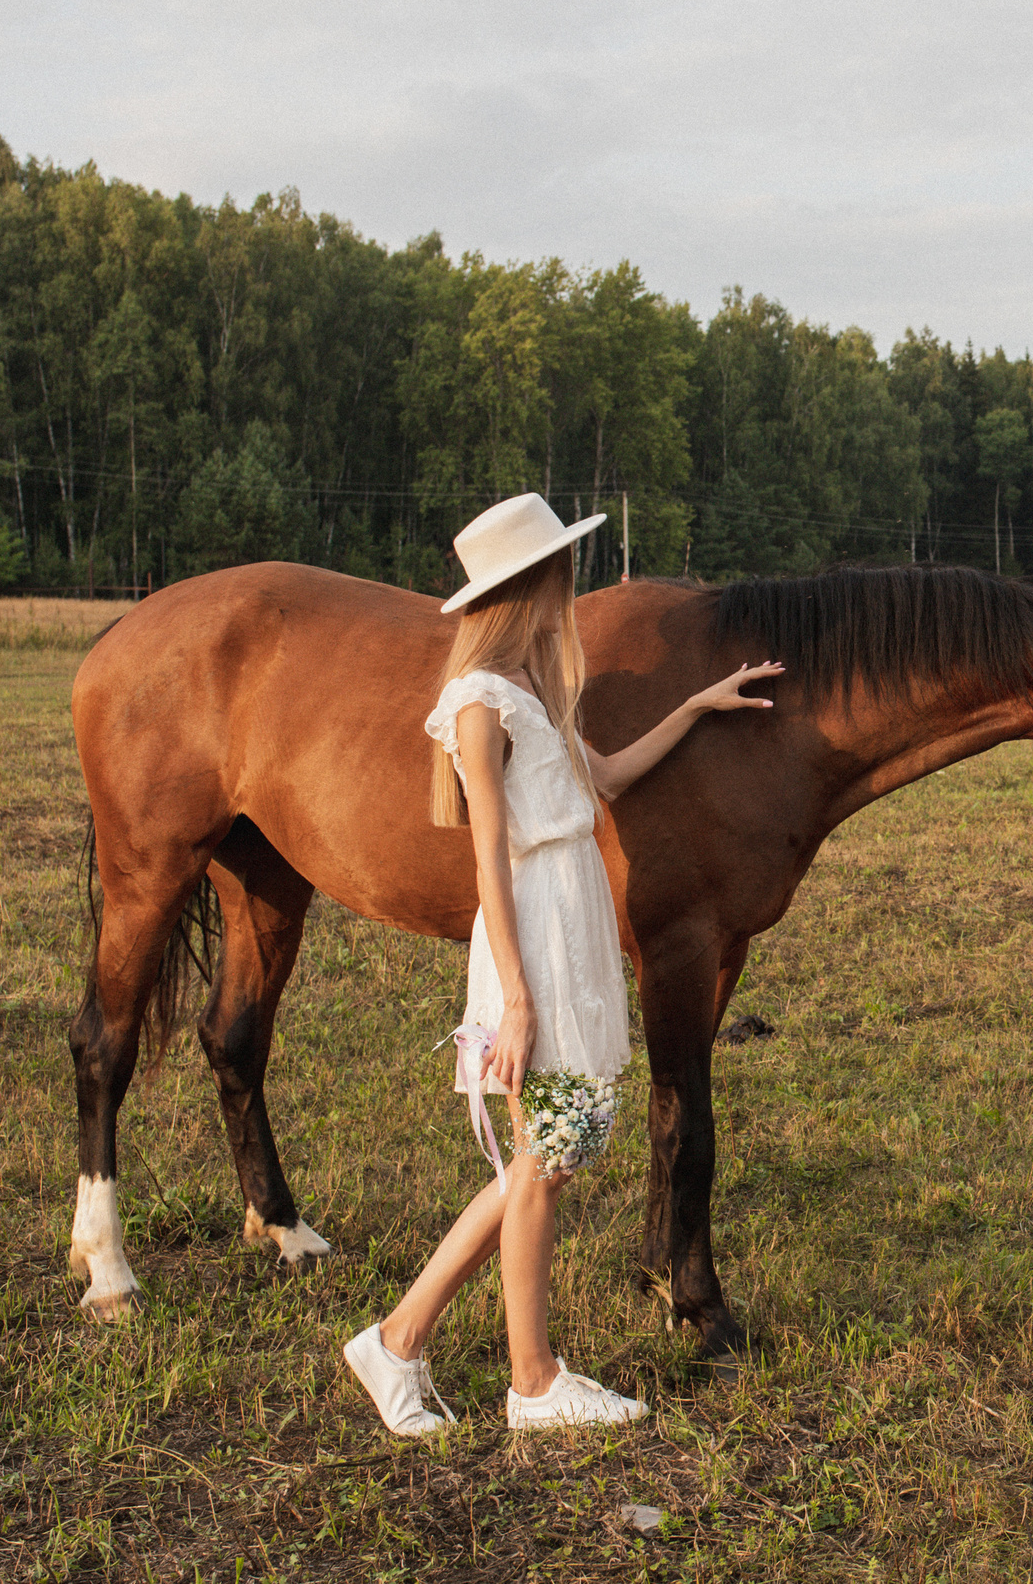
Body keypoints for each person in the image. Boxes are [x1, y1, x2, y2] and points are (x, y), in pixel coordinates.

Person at [340, 493, 781, 1436]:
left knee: (550, 1151)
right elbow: (488, 856)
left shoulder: (534, 691)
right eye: (559, 573)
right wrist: (519, 995)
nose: (570, 587)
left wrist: (700, 705)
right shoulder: (479, 704)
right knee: (549, 1149)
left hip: (569, 917)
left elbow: (610, 776)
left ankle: (402, 1339)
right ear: (529, 588)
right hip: (530, 928)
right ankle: (526, 1377)